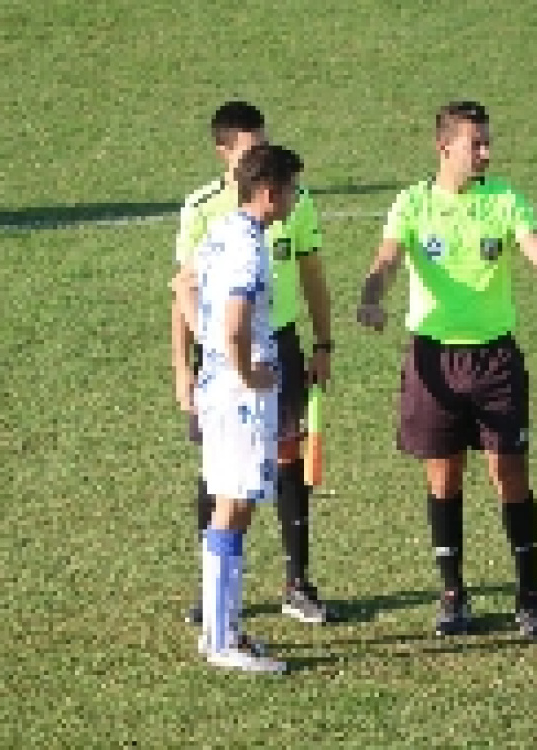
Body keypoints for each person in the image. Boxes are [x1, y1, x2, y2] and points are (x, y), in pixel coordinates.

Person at [355, 100, 537, 638]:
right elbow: (386, 260)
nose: (486, 152)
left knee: (510, 475)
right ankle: (453, 594)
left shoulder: (503, 200)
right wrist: (371, 297)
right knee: (444, 479)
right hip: (433, 360)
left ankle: (529, 594)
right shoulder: (412, 203)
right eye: (476, 144)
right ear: (445, 147)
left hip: (494, 361)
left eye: (488, 142)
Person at [172, 101, 335, 627]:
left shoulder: (256, 219)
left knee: (267, 474)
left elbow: (310, 275)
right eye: (251, 150)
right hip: (240, 372)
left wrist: (321, 343)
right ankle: (219, 615)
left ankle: (279, 592)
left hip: (259, 354)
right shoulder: (229, 229)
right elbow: (200, 298)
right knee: (227, 489)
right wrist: (212, 364)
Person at [172, 143, 305, 672]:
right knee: (233, 508)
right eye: (292, 189)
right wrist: (250, 375)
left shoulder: (222, 230)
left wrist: (207, 345)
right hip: (240, 398)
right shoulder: (249, 248)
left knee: (230, 505)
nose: (295, 198)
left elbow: (183, 285)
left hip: (216, 389)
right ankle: (223, 640)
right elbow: (233, 326)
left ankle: (219, 629)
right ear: (269, 192)